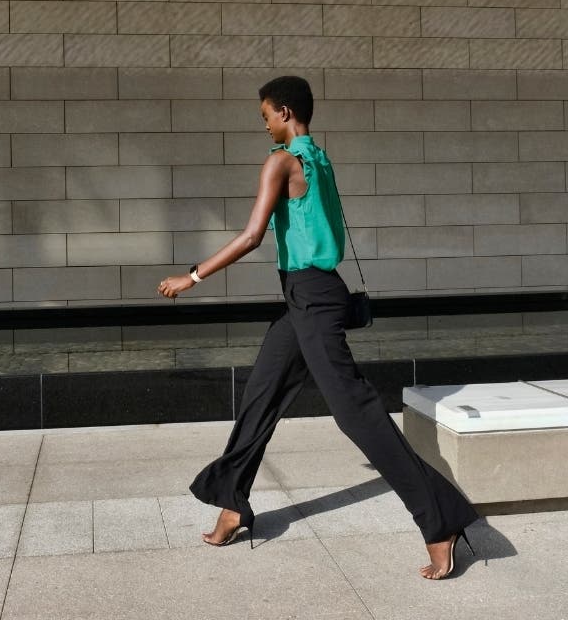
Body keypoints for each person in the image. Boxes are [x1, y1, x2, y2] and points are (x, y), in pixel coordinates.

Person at [157, 75, 479, 580]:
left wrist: (192, 276)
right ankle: (233, 502)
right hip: (306, 298)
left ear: (284, 112)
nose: (263, 125)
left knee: (357, 415)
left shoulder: (281, 161)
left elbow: (250, 236)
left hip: (312, 299)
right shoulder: (320, 160)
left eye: (265, 115)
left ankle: (440, 523)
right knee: (261, 396)